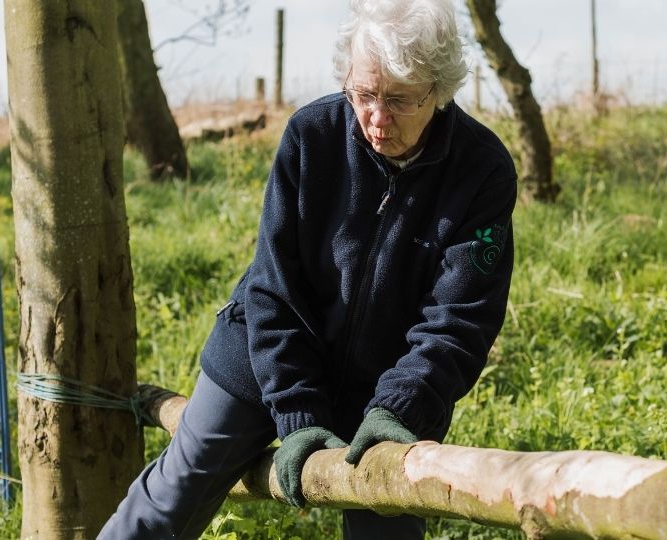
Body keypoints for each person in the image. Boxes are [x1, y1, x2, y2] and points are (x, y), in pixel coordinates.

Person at [99, 0, 516, 537]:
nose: (377, 118)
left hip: (393, 385)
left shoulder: (483, 170)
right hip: (264, 355)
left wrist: (401, 409)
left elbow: (461, 320)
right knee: (177, 487)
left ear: (439, 91)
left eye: (399, 100)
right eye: (364, 95)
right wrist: (299, 413)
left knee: (386, 527)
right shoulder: (311, 136)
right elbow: (274, 289)